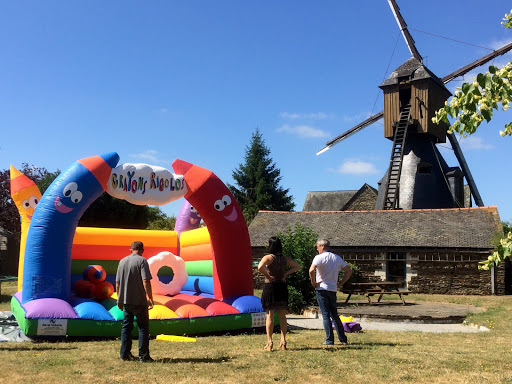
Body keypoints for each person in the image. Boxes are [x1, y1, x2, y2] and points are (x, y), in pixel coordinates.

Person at [258, 236, 301, 351]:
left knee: (270, 315)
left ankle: (269, 342)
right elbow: (297, 266)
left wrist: (267, 276)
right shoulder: (285, 259)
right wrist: (286, 273)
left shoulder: (268, 257)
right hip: (282, 286)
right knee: (282, 315)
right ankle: (283, 340)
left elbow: (259, 267)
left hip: (271, 286)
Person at [116, 241, 155, 362]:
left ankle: (125, 354)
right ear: (142, 250)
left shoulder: (122, 261)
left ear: (130, 250)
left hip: (126, 301)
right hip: (139, 301)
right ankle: (144, 356)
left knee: (126, 327)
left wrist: (119, 298)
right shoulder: (142, 261)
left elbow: (117, 284)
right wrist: (150, 297)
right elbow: (146, 281)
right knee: (143, 328)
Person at [309, 238, 352, 346]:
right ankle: (342, 338)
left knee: (325, 315)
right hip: (332, 289)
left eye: (317, 246)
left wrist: (313, 282)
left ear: (322, 246)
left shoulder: (319, 257)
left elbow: (311, 270)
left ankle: (329, 339)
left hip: (322, 288)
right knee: (335, 315)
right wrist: (340, 284)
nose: (317, 249)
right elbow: (348, 271)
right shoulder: (336, 258)